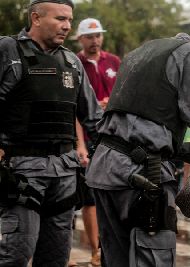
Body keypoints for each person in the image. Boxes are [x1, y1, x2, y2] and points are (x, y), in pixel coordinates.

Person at [85, 27, 190, 266]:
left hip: (105, 170)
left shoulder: (143, 51)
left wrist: (189, 151)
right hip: (141, 175)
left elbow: (143, 117)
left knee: (115, 258)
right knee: (153, 257)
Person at [0, 0, 103, 266]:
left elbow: (93, 119)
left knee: (56, 258)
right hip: (21, 174)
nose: (67, 26)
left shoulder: (71, 61)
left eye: (69, 19)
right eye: (60, 19)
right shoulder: (7, 50)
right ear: (35, 17)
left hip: (65, 175)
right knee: (16, 255)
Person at [71, 17, 121, 266]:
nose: (95, 40)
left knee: (112, 192)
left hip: (113, 137)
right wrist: (80, 145)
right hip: (86, 138)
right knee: (89, 197)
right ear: (80, 39)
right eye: (89, 36)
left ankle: (112, 245)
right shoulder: (73, 63)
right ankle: (95, 249)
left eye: (98, 35)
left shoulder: (114, 62)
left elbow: (123, 95)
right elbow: (74, 111)